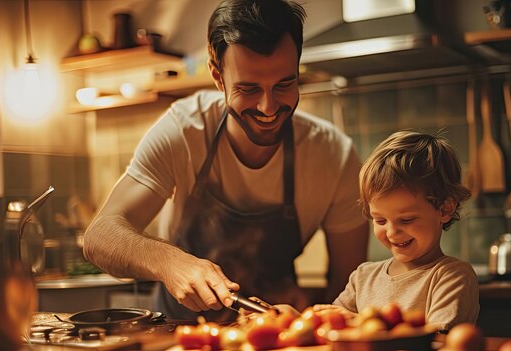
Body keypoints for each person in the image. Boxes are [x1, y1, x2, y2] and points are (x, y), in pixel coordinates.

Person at [83, 0, 369, 322]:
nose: (268, 107)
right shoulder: (184, 131)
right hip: (180, 334)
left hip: (272, 339)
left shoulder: (333, 155)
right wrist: (171, 262)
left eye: (284, 85)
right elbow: (100, 236)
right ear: (218, 76)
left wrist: (308, 315)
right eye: (248, 88)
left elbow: (347, 287)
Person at [310, 130, 479, 331]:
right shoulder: (363, 277)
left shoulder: (451, 276)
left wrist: (357, 322)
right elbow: (332, 331)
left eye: (406, 220)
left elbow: (436, 340)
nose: (391, 232)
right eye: (380, 220)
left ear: (444, 209)